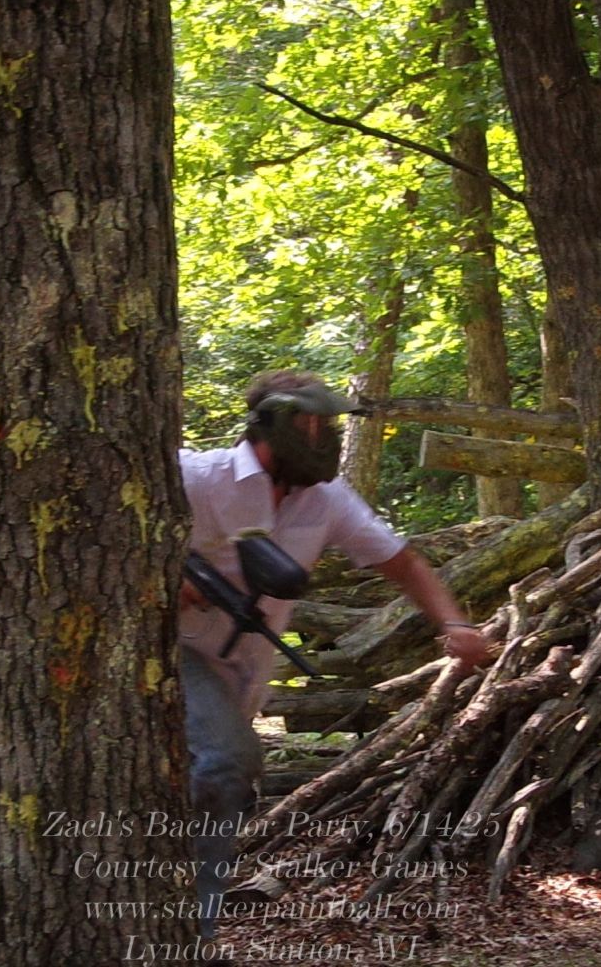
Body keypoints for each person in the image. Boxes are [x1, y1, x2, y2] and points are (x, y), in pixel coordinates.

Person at [178, 369, 486, 944]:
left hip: (242, 671)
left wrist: (455, 623)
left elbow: (404, 563)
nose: (324, 436)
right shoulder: (197, 476)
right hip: (173, 655)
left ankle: (190, 928)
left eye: (328, 424)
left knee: (224, 781)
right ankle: (190, 931)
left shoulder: (328, 501)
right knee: (225, 761)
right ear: (271, 423)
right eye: (310, 424)